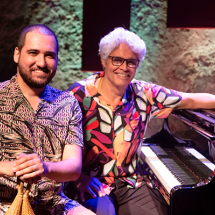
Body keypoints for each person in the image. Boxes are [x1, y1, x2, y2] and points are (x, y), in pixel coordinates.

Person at [65, 27, 215, 215]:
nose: (124, 67)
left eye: (131, 62)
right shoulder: (77, 95)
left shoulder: (145, 93)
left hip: (129, 182)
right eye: (117, 60)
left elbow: (191, 100)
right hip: (91, 183)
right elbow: (56, 146)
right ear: (104, 60)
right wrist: (77, 178)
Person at [0, 24, 95, 215]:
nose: (42, 63)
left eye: (49, 55)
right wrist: (9, 167)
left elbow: (74, 167)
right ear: (17, 54)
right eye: (33, 53)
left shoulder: (67, 103)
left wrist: (44, 167)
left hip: (53, 203)